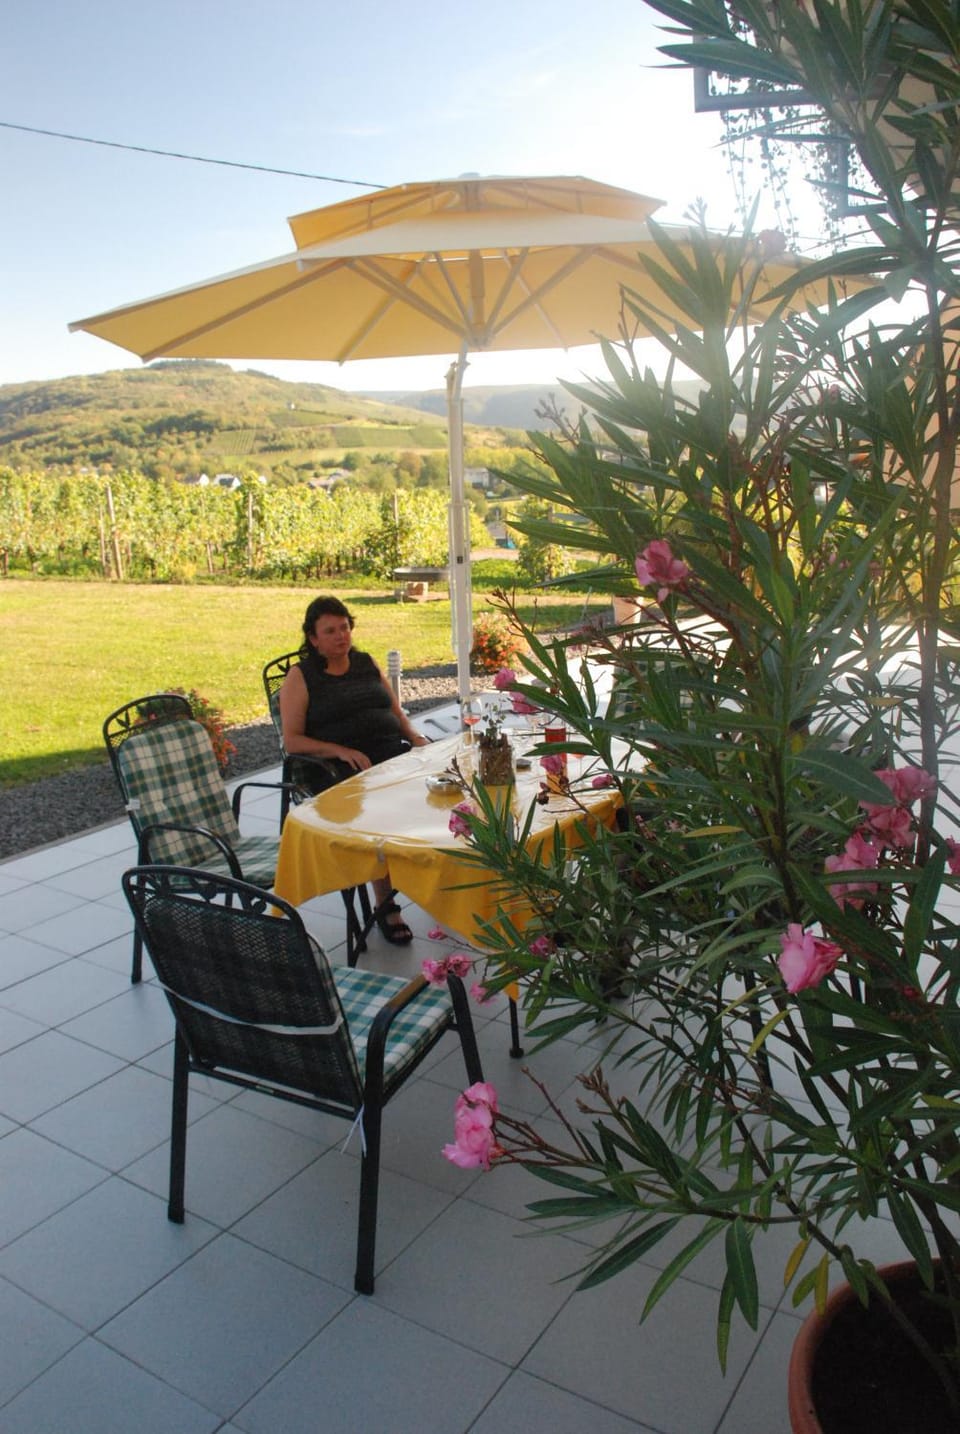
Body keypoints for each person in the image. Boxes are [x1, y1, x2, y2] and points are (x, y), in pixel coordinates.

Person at [279, 595, 430, 945]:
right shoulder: (301, 677)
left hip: (390, 757)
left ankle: (442, 880)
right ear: (313, 639)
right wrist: (339, 750)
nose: (340, 635)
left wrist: (417, 738)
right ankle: (386, 904)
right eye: (329, 630)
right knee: (379, 811)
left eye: (344, 627)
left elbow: (396, 712)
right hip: (337, 771)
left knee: (444, 789)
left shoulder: (365, 662)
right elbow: (293, 741)